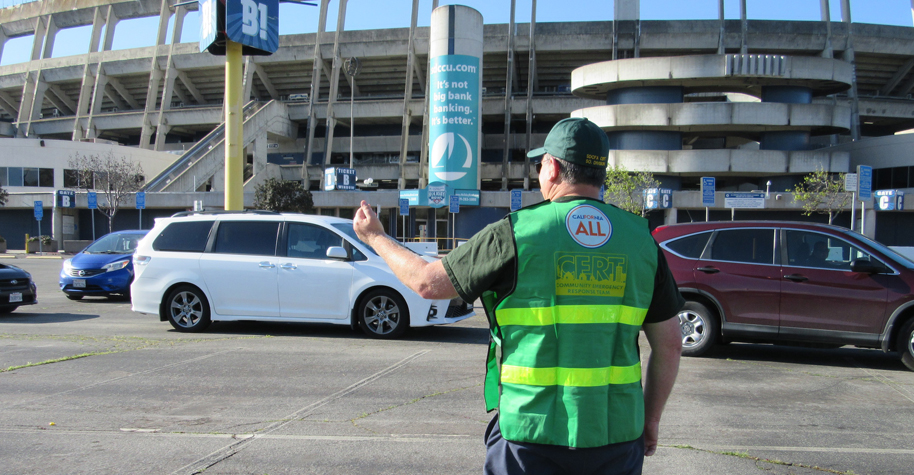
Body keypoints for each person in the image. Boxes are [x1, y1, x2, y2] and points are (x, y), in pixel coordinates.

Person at [353, 117, 684, 475]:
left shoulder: (515, 233)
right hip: (617, 435)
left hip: (528, 437)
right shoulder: (641, 241)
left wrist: (375, 237)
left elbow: (427, 283)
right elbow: (669, 344)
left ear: (553, 168)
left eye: (540, 164)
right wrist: (649, 420)